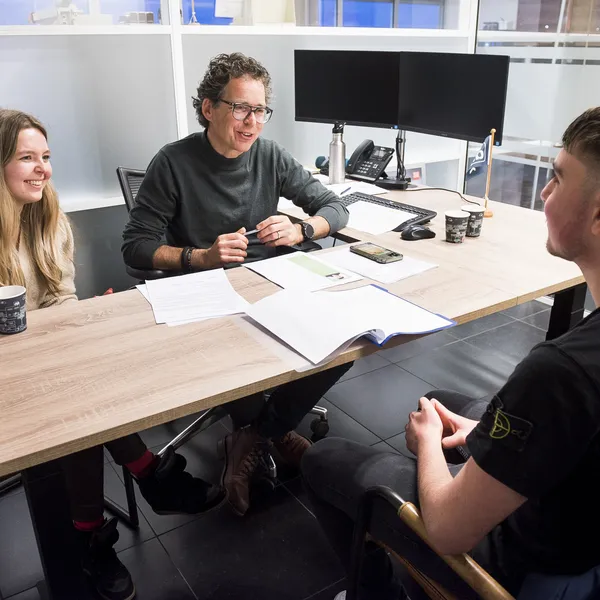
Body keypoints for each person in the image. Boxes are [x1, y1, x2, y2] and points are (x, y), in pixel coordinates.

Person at [302, 107, 600, 600]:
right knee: (445, 400)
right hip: (580, 527)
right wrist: (488, 435)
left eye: (558, 178)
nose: (544, 194)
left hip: (516, 569)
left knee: (325, 458)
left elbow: (447, 530)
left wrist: (425, 445)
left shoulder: (559, 373)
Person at [0, 109, 224, 600]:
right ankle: (149, 473)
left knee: (82, 398)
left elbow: (60, 297)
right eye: (26, 158)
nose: (42, 169)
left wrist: (82, 323)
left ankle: (91, 538)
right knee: (77, 403)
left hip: (50, 367)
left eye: (46, 157)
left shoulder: (49, 219)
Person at [122, 52, 353, 517]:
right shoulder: (173, 162)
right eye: (241, 108)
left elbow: (335, 208)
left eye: (261, 110)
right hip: (207, 292)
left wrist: (302, 229)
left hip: (270, 280)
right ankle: (273, 432)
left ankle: (255, 435)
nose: (252, 123)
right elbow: (135, 246)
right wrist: (200, 256)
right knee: (240, 344)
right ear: (209, 108)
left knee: (348, 335)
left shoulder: (270, 156)